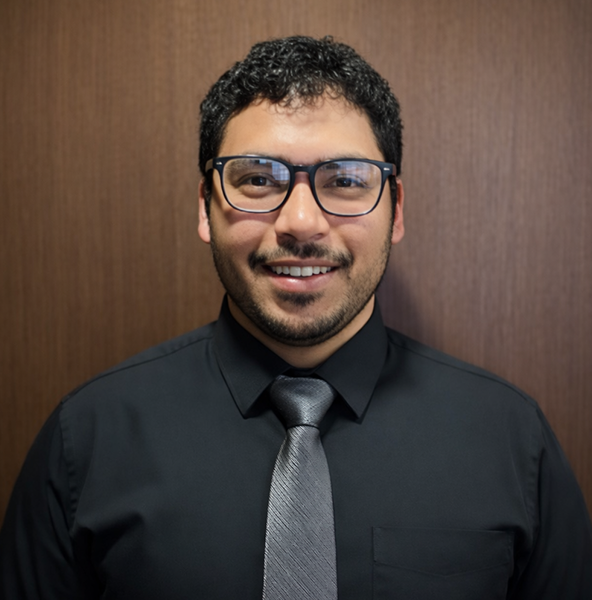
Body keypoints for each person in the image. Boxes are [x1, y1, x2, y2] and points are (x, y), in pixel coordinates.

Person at [1, 35, 591, 600]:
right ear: (206, 207)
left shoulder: (511, 442)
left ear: (396, 211)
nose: (302, 223)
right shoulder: (87, 442)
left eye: (345, 180)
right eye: (258, 179)